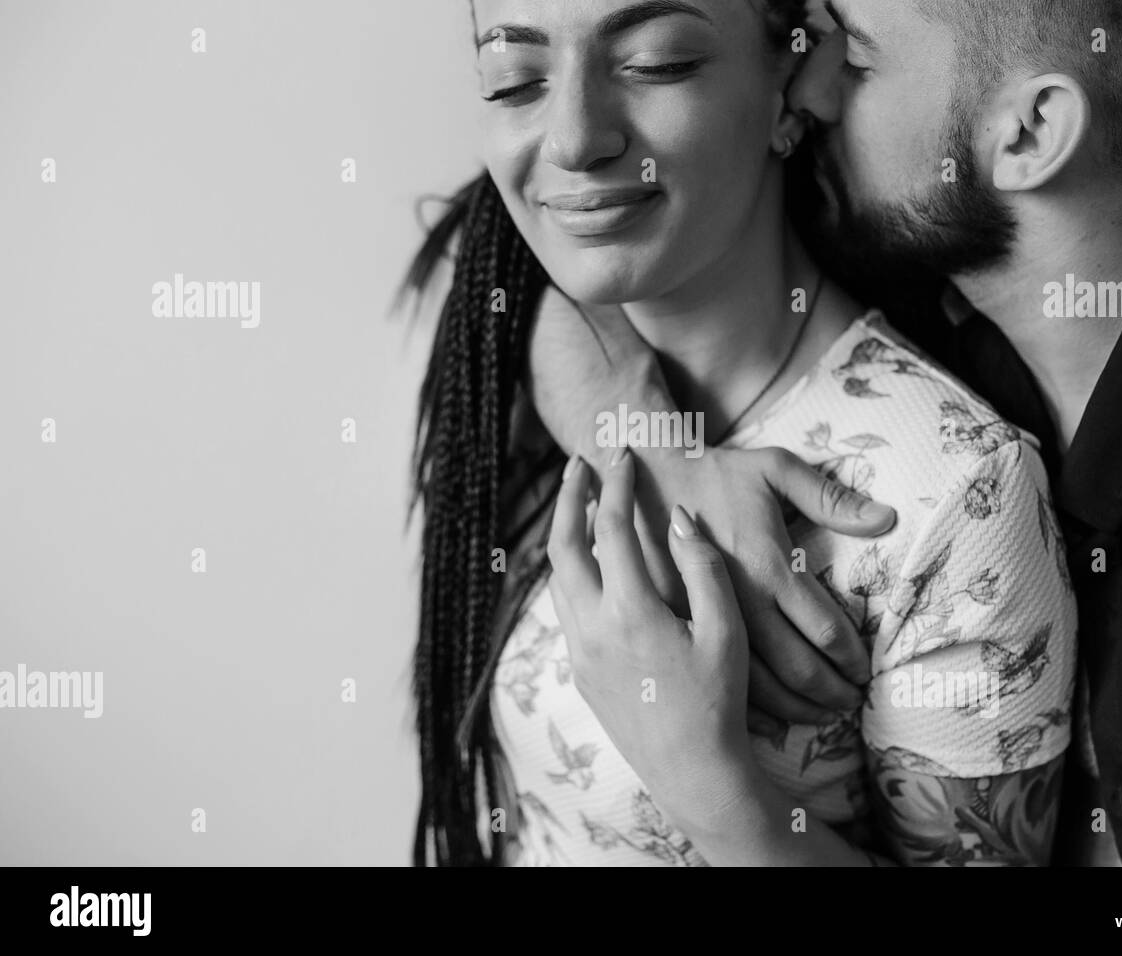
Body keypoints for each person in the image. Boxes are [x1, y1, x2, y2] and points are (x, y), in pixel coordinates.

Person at [532, 0, 1122, 866]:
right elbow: (557, 246)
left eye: (855, 59)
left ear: (1030, 132)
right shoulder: (887, 231)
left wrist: (707, 786)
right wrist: (663, 453)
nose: (807, 91)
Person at [404, 0, 1076, 866]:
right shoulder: (505, 340)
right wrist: (654, 448)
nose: (572, 141)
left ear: (792, 85)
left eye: (654, 64)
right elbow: (473, 231)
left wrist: (705, 779)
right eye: (515, 81)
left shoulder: (953, 493)